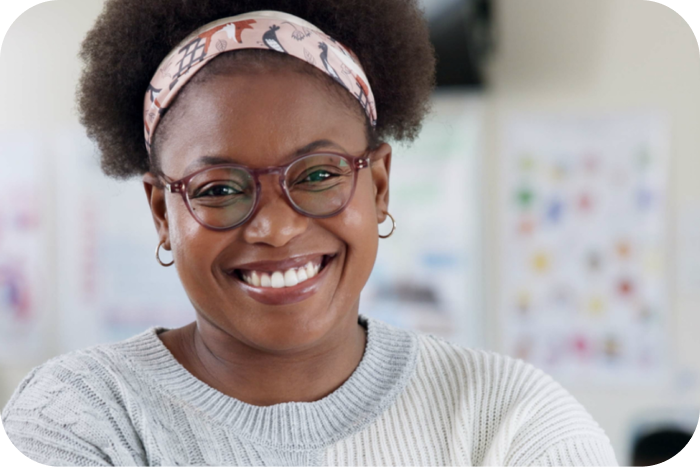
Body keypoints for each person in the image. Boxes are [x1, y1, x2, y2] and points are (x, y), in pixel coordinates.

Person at [1, 0, 619, 465]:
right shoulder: (81, 415)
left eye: (319, 174)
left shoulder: (509, 421)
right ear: (163, 212)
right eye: (218, 188)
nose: (274, 227)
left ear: (378, 185)